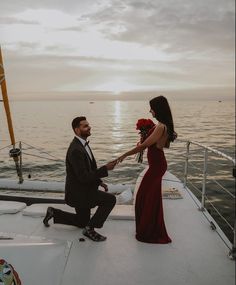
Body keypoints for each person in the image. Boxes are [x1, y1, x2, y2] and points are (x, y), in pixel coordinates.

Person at [43, 116, 117, 242]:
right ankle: (90, 229)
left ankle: (54, 213)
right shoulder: (76, 150)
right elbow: (83, 177)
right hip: (80, 193)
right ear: (77, 130)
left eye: (88, 125)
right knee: (110, 199)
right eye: (85, 126)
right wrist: (105, 169)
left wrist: (100, 182)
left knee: (82, 221)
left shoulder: (82, 145)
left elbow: (88, 170)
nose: (89, 127)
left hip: (82, 189)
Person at [117, 96, 177, 243]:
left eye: (152, 108)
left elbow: (144, 146)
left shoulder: (161, 126)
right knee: (151, 198)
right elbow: (160, 145)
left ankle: (149, 231)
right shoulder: (162, 126)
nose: (150, 111)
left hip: (157, 166)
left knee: (144, 197)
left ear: (157, 109)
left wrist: (124, 155)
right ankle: (151, 229)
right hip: (158, 165)